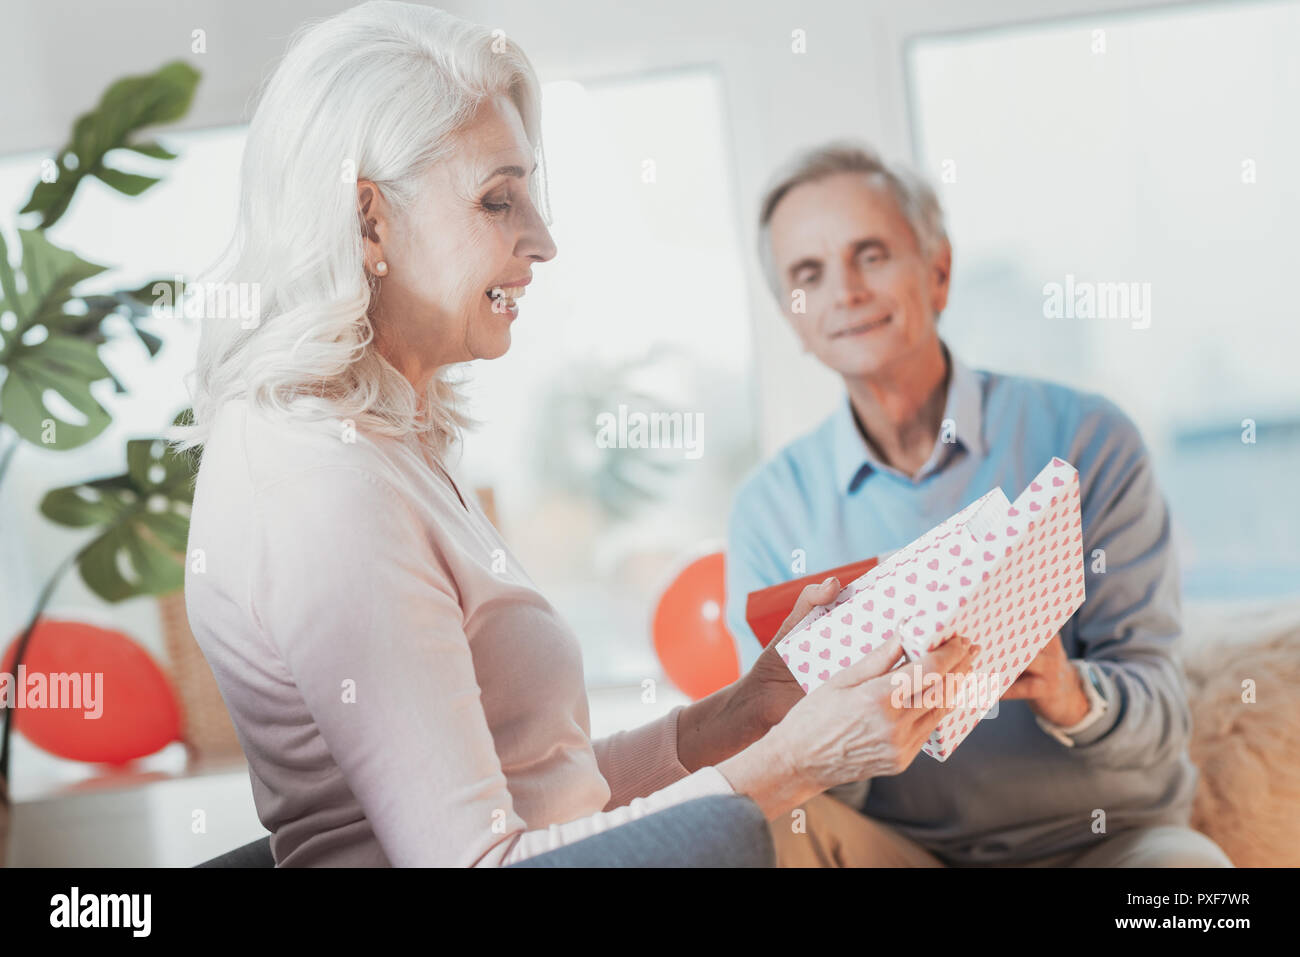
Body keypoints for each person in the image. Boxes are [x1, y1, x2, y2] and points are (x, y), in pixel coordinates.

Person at [173, 2, 975, 867]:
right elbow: (485, 862)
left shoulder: (381, 448)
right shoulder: (319, 480)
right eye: (497, 199)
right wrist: (793, 762)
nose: (544, 241)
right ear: (370, 220)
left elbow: (538, 792)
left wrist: (741, 714)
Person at [724, 142, 1233, 867]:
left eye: (870, 255)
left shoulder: (1090, 437)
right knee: (756, 832)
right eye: (809, 273)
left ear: (938, 273)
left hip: (1108, 841)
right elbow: (783, 757)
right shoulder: (768, 509)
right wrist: (853, 726)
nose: (844, 291)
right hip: (902, 852)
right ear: (790, 313)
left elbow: (1162, 708)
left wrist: (1069, 690)